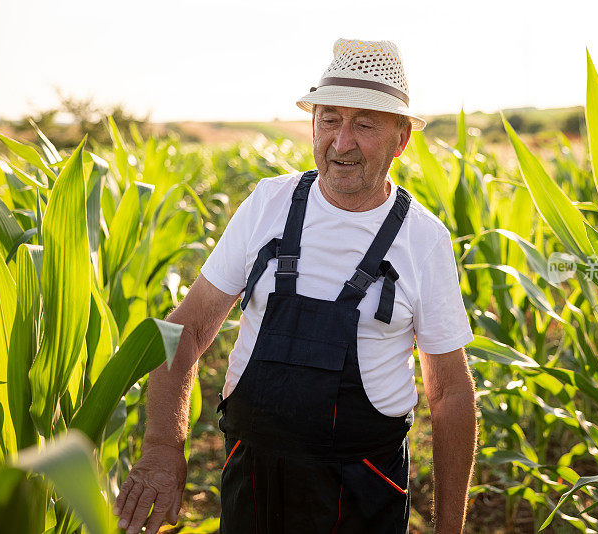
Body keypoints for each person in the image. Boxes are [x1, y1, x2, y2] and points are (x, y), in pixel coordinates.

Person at [114, 38, 477, 534]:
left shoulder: (423, 239)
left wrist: (449, 529)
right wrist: (161, 449)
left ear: (401, 139)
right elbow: (185, 332)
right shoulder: (269, 204)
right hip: (254, 486)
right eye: (329, 119)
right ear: (312, 125)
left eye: (365, 124)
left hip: (363, 495)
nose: (341, 142)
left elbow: (450, 393)